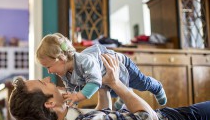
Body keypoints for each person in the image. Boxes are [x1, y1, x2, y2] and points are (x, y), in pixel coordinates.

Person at [9, 54, 210, 120]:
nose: (47, 78)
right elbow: (150, 119)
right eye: (44, 83)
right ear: (50, 103)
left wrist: (103, 87)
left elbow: (103, 117)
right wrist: (116, 83)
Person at [36, 33, 167, 110]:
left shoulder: (84, 61)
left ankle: (157, 87)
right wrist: (71, 101)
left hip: (122, 65)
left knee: (141, 83)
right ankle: (125, 92)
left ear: (61, 58)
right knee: (113, 91)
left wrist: (78, 96)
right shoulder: (65, 74)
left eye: (48, 67)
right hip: (107, 80)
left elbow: (94, 82)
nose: (49, 72)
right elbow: (71, 89)